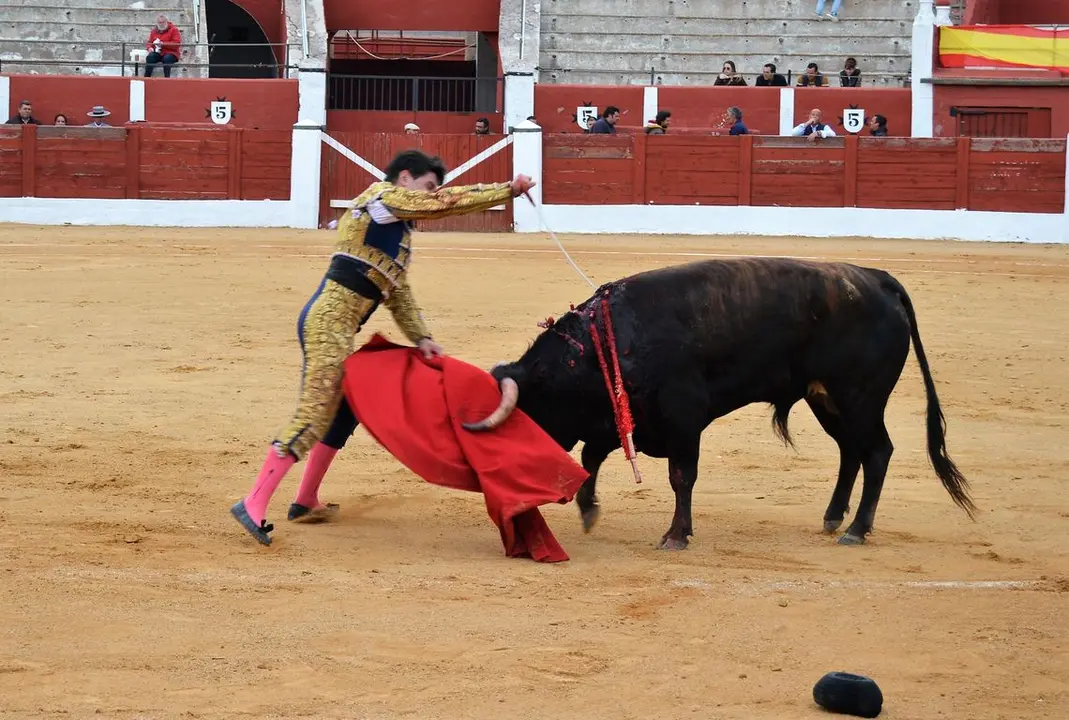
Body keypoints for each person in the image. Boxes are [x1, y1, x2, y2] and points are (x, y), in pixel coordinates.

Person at [230, 149, 536, 546]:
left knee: (342, 410)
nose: (429, 195)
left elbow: (398, 294)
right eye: (426, 186)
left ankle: (305, 499)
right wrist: (506, 190)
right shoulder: (381, 199)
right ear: (405, 178)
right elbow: (439, 205)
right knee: (314, 411)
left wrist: (422, 338)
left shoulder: (399, 235)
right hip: (328, 323)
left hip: (340, 325)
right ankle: (253, 502)